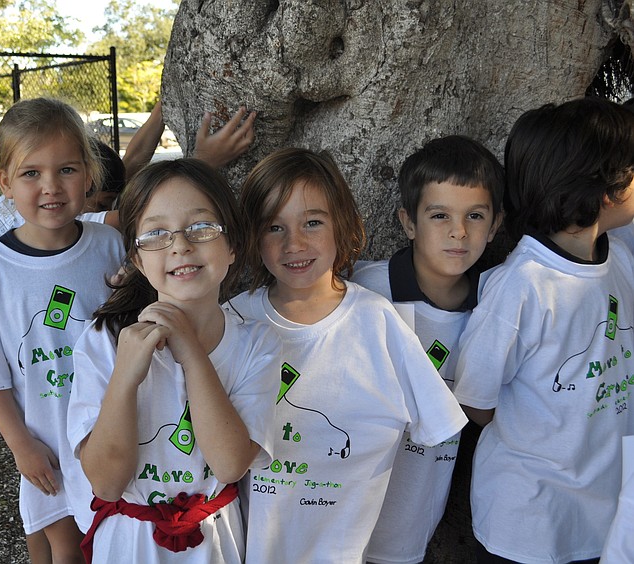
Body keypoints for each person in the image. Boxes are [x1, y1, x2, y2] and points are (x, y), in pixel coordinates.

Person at [230, 147, 468, 563]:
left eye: (313, 222)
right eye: (274, 227)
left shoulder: (377, 322)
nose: (295, 243)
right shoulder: (230, 321)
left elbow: (436, 432)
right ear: (252, 235)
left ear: (341, 224)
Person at [65, 158, 281, 563]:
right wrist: (125, 378)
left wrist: (191, 353)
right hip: (129, 544)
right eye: (156, 233)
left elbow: (230, 463)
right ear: (137, 259)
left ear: (233, 245)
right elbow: (107, 484)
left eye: (201, 227)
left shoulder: (258, 343)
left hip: (215, 542)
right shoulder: (104, 341)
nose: (180, 245)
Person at [452, 97, 634, 564]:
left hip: (604, 511)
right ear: (603, 189)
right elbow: (475, 397)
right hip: (528, 519)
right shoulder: (522, 287)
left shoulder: (621, 260)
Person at [0, 97, 124, 564]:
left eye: (67, 169)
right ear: (6, 183)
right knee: (61, 543)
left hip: (109, 432)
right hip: (44, 441)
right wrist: (20, 445)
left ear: (89, 174)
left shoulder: (112, 247)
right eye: (32, 173)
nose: (51, 187)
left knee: (108, 539)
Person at [351, 135, 504, 564]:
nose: (459, 231)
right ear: (409, 222)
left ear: (495, 225)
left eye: (475, 215)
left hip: (412, 519)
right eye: (440, 215)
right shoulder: (364, 290)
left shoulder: (497, 306)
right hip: (334, 510)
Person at [82, 103, 258, 231]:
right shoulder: (80, 223)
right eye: (101, 205)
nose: (108, 210)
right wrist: (203, 162)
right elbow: (151, 212)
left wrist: (163, 105)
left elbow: (132, 162)